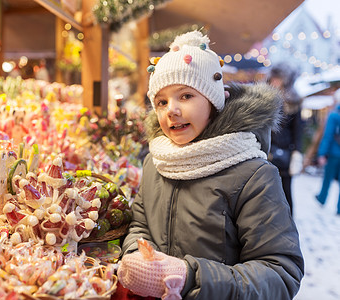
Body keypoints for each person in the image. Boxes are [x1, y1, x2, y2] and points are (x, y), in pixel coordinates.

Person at [117, 31, 304, 300]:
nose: (172, 109)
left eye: (186, 96)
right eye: (161, 101)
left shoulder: (253, 175)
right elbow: (140, 223)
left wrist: (190, 277)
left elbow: (280, 274)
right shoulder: (155, 162)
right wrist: (136, 255)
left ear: (214, 101)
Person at [266, 63, 304, 215]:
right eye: (274, 78)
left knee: (286, 191)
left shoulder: (293, 101)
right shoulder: (265, 98)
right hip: (267, 150)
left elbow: (298, 130)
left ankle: (288, 221)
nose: (275, 81)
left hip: (285, 151)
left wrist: (297, 152)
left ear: (285, 80)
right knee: (267, 191)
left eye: (279, 78)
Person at [315, 88, 340, 215]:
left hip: (334, 153)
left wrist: (321, 153)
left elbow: (328, 135)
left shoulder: (334, 115)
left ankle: (322, 198)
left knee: (327, 178)